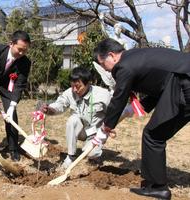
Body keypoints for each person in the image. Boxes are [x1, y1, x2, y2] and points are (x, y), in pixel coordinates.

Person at [93, 38, 190, 200]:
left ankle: (159, 187)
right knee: (154, 134)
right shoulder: (136, 57)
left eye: (103, 65)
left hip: (183, 83)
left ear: (111, 56)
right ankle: (154, 183)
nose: (107, 70)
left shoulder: (123, 66)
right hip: (181, 79)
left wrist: (105, 128)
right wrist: (137, 108)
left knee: (153, 135)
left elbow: (119, 98)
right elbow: (161, 85)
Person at [40, 67, 112, 168]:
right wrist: (50, 109)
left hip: (96, 133)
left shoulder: (103, 95)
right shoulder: (70, 92)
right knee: (72, 120)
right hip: (81, 130)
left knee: (91, 154)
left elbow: (114, 112)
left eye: (78, 86)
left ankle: (94, 157)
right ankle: (71, 156)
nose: (74, 89)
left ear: (88, 83)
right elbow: (60, 104)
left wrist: (109, 127)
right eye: (72, 85)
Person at [0, 30, 31, 162]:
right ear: (11, 44)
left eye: (25, 51)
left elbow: (20, 84)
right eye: (19, 49)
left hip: (6, 87)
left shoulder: (25, 62)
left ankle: (13, 148)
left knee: (12, 116)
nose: (21, 53)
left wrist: (12, 105)